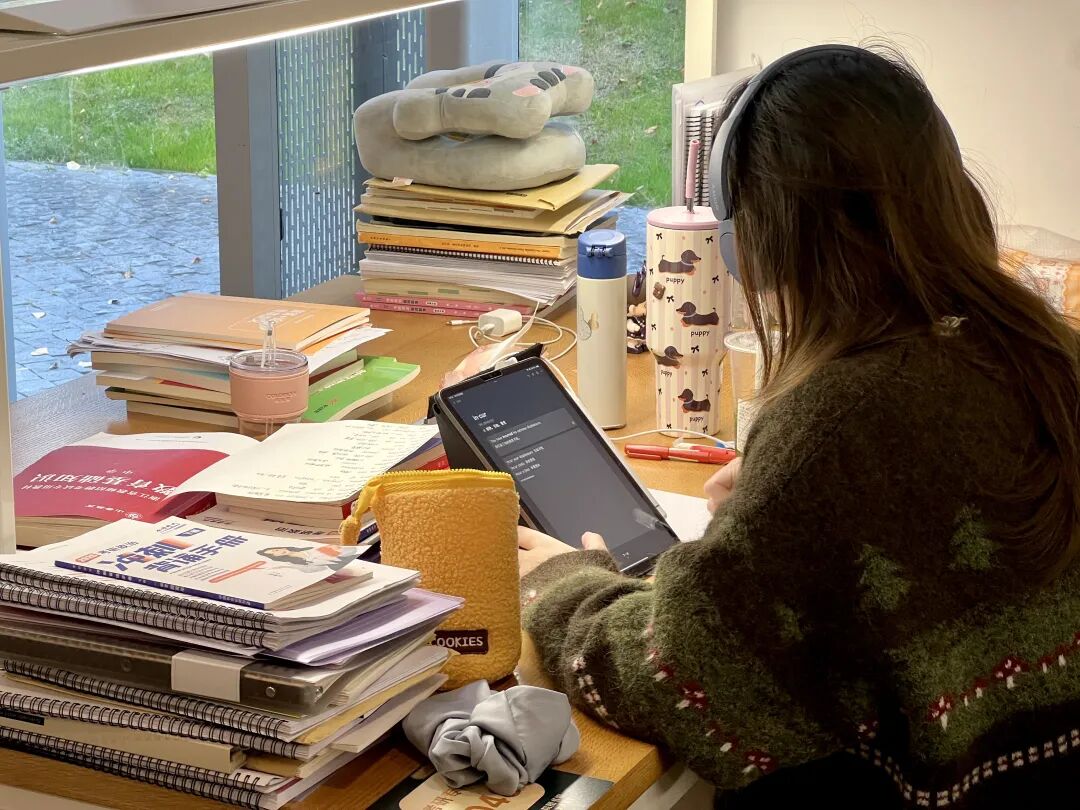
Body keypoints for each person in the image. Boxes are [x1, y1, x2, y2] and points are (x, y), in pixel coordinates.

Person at [517, 44, 1080, 808]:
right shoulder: (1045, 352)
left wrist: (559, 586)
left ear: (757, 237)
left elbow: (679, 682)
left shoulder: (841, 421)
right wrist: (776, 511)